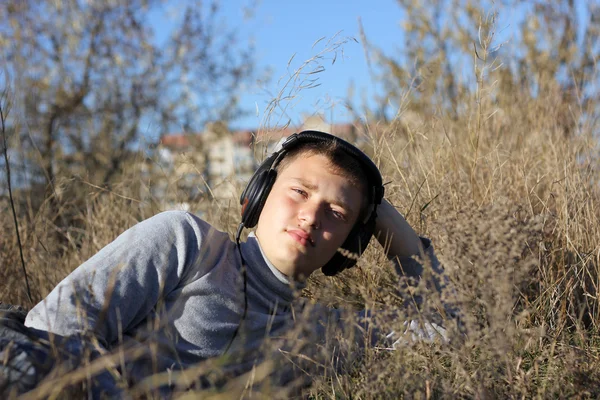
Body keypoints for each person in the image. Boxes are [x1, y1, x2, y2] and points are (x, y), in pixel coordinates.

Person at [1, 130, 454, 397]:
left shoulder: (318, 333)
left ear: (347, 243)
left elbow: (449, 331)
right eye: (299, 191)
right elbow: (47, 338)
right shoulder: (186, 241)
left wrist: (380, 217)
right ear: (258, 198)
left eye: (336, 214)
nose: (311, 215)